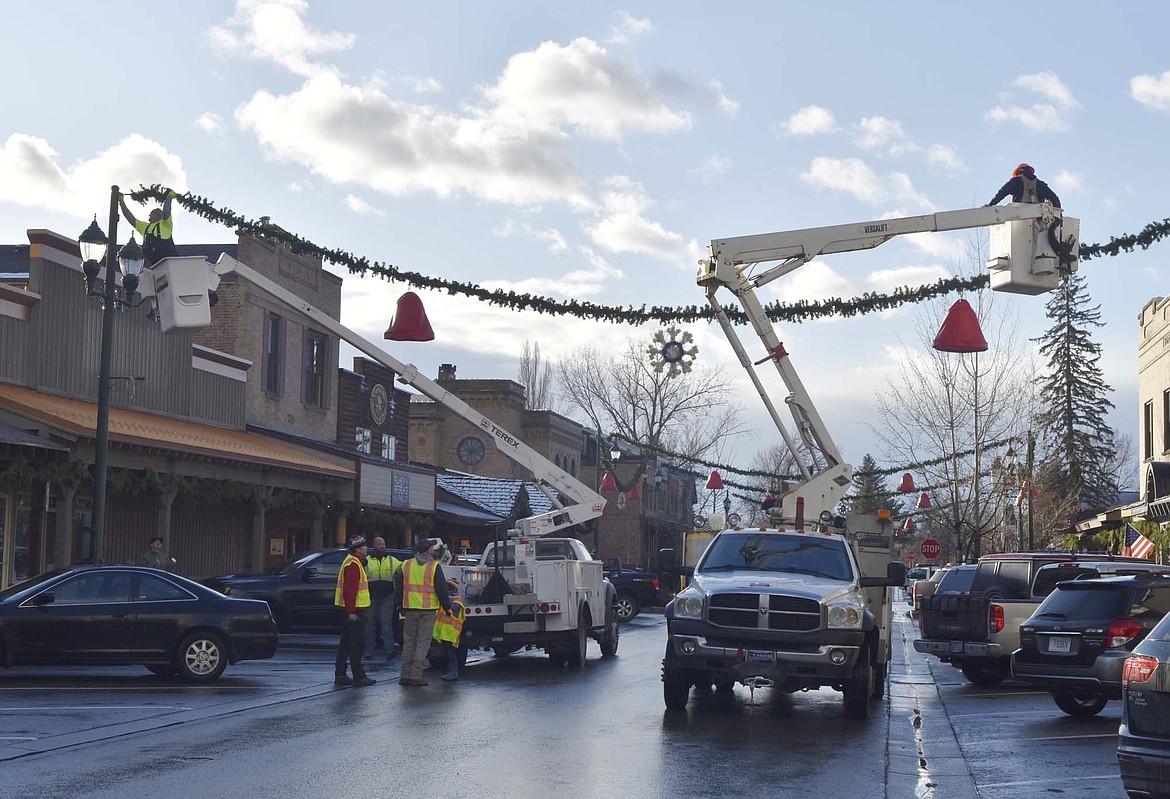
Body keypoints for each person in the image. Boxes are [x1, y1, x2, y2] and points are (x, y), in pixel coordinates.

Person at [394, 538, 452, 687]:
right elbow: (441, 590)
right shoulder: (434, 566)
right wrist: (448, 608)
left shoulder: (406, 565)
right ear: (428, 551)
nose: (433, 550)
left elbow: (399, 587)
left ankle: (405, 675)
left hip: (410, 609)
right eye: (432, 548)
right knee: (422, 643)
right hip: (427, 610)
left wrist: (399, 605)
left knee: (409, 643)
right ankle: (416, 676)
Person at [334, 535, 376, 688]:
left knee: (345, 644)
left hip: (350, 610)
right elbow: (350, 591)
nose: (366, 548)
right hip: (354, 611)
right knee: (356, 645)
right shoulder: (353, 565)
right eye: (364, 546)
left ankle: (340, 674)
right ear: (357, 549)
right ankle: (358, 675)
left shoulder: (353, 562)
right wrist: (351, 612)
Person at [118, 190, 180, 266]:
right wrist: (121, 203)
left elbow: (166, 211)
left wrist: (169, 197)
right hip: (155, 266)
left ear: (158, 215)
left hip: (172, 265)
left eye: (150, 215)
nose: (149, 218)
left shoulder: (165, 224)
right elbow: (130, 218)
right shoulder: (146, 227)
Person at [364, 536, 401, 660]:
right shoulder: (366, 561)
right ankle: (369, 650)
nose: (382, 546)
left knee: (386, 625)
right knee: (370, 625)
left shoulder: (392, 560)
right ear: (374, 545)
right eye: (379, 544)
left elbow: (404, 570)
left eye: (383, 544)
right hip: (371, 597)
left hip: (387, 597)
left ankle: (390, 650)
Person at [432, 578, 466, 682]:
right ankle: (450, 672)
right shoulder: (449, 599)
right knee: (448, 654)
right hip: (446, 632)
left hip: (450, 633)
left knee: (451, 655)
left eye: (448, 588)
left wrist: (445, 598)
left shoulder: (456, 600)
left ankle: (453, 673)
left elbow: (452, 608)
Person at [986, 163, 1061, 208]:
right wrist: (1058, 217)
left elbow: (1001, 193)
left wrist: (991, 204)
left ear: (1018, 172)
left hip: (1018, 216)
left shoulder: (1015, 181)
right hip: (1039, 219)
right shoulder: (1041, 184)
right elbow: (1055, 199)